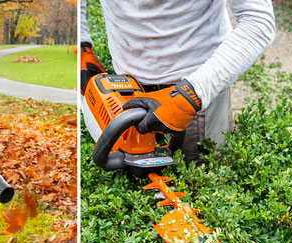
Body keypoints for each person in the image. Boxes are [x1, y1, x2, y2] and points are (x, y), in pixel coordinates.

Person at [80, 0, 276, 163]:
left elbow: (258, 20)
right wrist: (80, 46)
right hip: (124, 90)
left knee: (200, 190)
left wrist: (190, 96)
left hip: (197, 93)